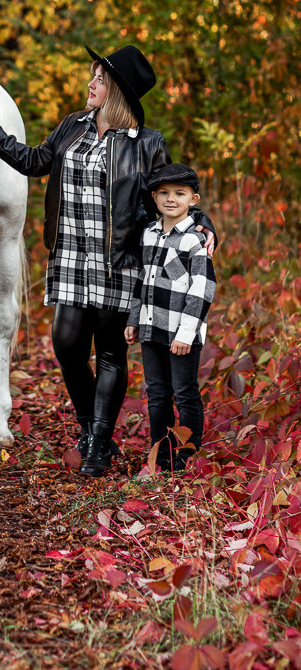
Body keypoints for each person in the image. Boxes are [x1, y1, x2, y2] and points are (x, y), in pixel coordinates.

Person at [0, 45, 216, 478]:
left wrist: (203, 222)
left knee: (112, 352)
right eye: (92, 77)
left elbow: (169, 195)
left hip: (119, 261)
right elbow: (33, 161)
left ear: (116, 89)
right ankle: (89, 427)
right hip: (72, 256)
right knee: (67, 345)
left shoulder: (147, 143)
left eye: (99, 78)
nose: (90, 84)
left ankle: (98, 441)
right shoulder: (73, 127)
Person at [125, 164, 216, 473]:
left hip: (181, 332)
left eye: (179, 194)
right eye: (163, 193)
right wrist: (134, 320)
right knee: (158, 394)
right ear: (154, 197)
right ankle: (160, 456)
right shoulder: (149, 234)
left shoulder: (196, 240)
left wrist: (186, 332)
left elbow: (202, 289)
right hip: (152, 327)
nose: (171, 199)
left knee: (185, 392)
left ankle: (187, 456)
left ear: (193, 199)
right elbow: (143, 280)